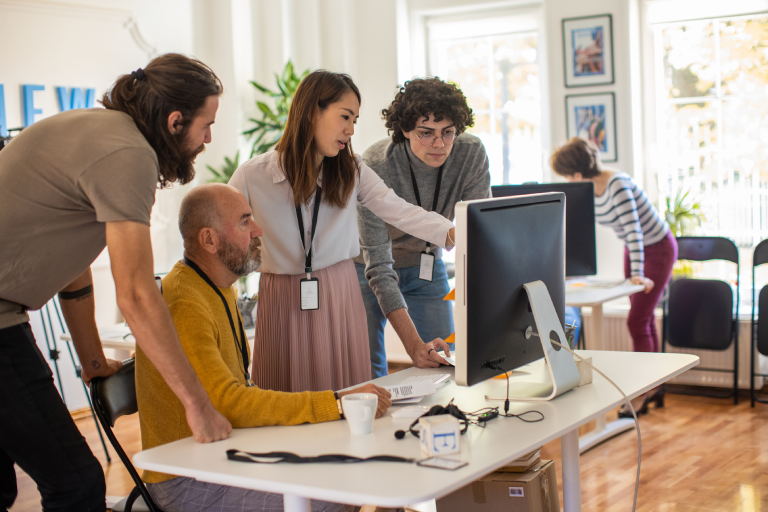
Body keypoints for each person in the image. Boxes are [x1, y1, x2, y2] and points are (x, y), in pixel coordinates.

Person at [0, 54, 232, 512]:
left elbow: (68, 256)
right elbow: (137, 294)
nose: (208, 138)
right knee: (77, 483)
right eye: (206, 125)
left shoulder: (97, 131)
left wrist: (90, 359)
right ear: (174, 121)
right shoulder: (129, 156)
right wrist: (198, 406)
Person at [137, 183, 391, 512]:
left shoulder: (216, 285)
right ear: (209, 240)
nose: (258, 229)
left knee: (351, 472)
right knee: (339, 496)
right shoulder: (185, 301)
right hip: (186, 478)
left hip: (221, 453)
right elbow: (228, 403)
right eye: (245, 222)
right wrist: (334, 403)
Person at [229, 71, 455, 393]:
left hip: (340, 291)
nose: (350, 130)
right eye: (345, 117)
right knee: (285, 393)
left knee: (348, 392)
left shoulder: (353, 169)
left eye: (355, 121)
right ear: (311, 112)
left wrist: (453, 234)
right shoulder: (253, 175)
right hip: (281, 296)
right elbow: (224, 225)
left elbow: (399, 210)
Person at [355, 77, 491, 378]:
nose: (439, 144)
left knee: (445, 362)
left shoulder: (470, 154)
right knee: (368, 372)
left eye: (448, 133)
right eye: (426, 133)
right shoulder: (377, 164)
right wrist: (414, 346)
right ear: (404, 130)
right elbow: (377, 267)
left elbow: (479, 233)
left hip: (425, 263)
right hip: (364, 268)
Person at [550, 137, 677, 415]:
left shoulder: (617, 185)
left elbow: (634, 232)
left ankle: (642, 391)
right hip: (634, 250)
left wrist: (638, 274)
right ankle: (654, 385)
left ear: (577, 174)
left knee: (637, 320)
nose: (567, 182)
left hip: (656, 248)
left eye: (566, 177)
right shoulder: (590, 189)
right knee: (643, 318)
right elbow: (581, 230)